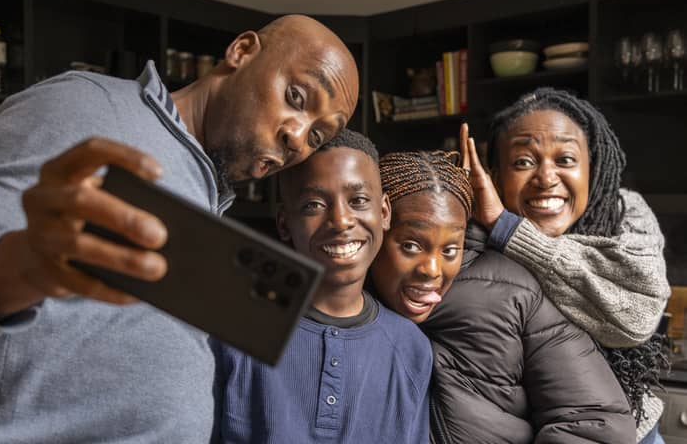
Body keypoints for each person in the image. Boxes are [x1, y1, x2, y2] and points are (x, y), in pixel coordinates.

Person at [0, 15, 359, 442]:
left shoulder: (209, 195)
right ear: (242, 51)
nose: (298, 138)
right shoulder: (87, 105)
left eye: (317, 135)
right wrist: (17, 265)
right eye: (296, 97)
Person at [370, 150, 636, 443]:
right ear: (377, 224)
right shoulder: (339, 302)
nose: (432, 270)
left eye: (449, 250)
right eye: (410, 246)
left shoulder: (515, 290)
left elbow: (595, 425)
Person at [463, 87, 670, 443]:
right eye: (524, 162)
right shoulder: (468, 242)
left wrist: (508, 230)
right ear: (495, 176)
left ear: (593, 168)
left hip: (635, 434)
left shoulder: (624, 212)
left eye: (566, 160)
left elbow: (636, 315)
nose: (546, 177)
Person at [213, 130, 432, 443]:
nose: (341, 220)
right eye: (313, 205)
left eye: (358, 200)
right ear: (285, 223)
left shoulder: (411, 348)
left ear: (383, 212)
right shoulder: (236, 331)